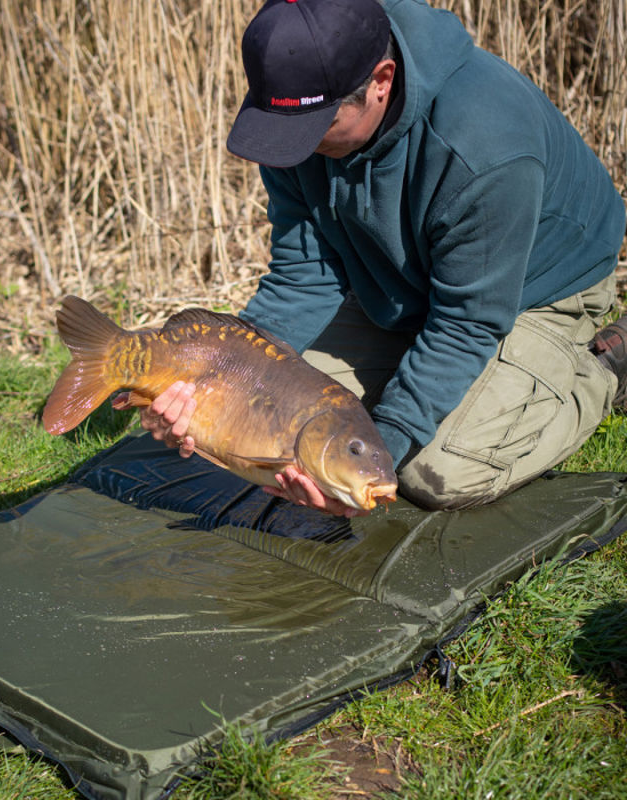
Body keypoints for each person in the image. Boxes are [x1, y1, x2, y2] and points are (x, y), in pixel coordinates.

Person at [124, 0, 627, 515]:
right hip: (395, 286)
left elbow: (465, 323)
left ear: (382, 81)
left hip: (531, 290)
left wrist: (382, 443)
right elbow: (304, 277)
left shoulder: (484, 147)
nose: (295, 148)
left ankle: (602, 370)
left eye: (314, 127)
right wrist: (225, 380)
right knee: (265, 424)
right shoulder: (296, 115)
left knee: (437, 474)